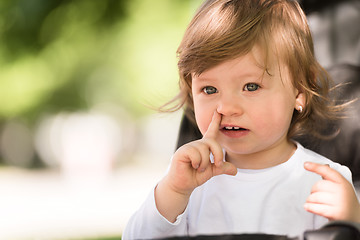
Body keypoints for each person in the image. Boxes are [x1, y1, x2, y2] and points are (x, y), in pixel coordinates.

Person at [122, 0, 360, 239]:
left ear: (299, 92)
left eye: (251, 86)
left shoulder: (324, 182)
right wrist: (172, 191)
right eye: (210, 90)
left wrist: (351, 221)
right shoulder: (190, 180)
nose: (226, 107)